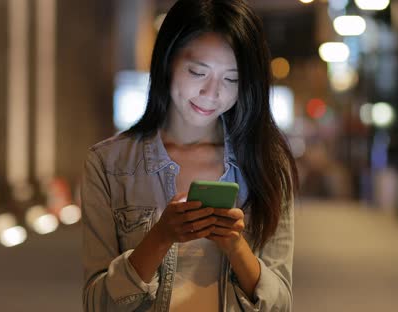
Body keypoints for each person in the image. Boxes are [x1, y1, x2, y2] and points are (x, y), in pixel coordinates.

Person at [81, 0, 298, 311]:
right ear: (168, 61)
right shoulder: (109, 165)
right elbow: (96, 304)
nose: (212, 93)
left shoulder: (267, 165)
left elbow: (281, 305)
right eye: (198, 72)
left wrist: (236, 247)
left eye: (232, 79)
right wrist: (160, 237)